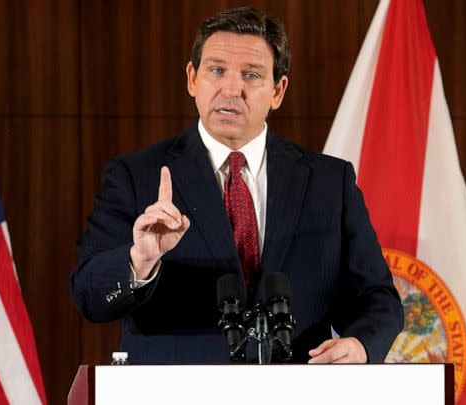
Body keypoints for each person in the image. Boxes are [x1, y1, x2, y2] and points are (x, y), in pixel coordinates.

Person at [70, 6, 403, 364]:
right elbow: (89, 295)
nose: (232, 89)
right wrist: (140, 261)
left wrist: (362, 345)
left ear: (278, 90)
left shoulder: (329, 182)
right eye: (216, 70)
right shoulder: (136, 175)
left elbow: (376, 298)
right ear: (192, 78)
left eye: (251, 75)